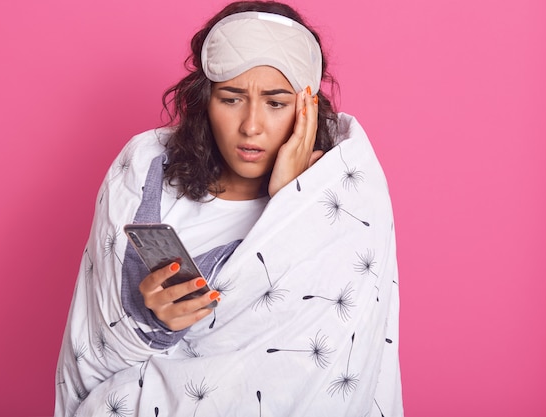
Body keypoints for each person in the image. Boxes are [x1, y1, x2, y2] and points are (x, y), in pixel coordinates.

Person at [55, 1, 403, 416]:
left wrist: (293, 200)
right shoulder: (143, 178)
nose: (251, 126)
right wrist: (149, 323)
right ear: (205, 101)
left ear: (306, 108)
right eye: (231, 98)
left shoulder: (345, 201)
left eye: (276, 103)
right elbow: (91, 349)